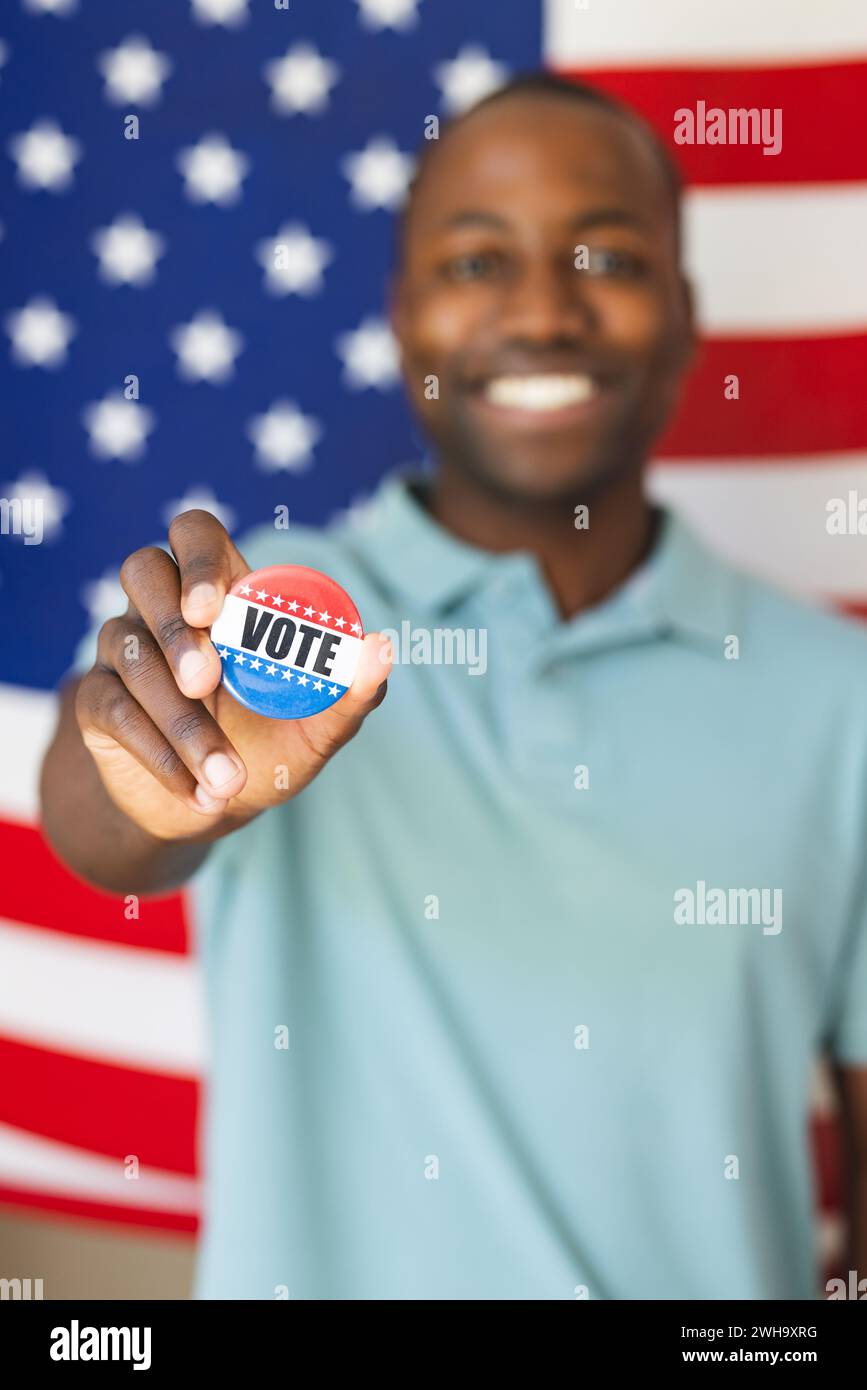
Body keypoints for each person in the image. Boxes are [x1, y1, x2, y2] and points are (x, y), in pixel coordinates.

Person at [40, 73, 867, 1300]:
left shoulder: (838, 695)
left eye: (609, 259)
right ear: (402, 317)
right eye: (478, 263)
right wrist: (157, 785)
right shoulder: (268, 609)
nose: (541, 312)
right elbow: (98, 819)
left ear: (687, 318)